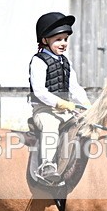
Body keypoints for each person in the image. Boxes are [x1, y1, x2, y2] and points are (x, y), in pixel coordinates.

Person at [28, 12, 91, 183]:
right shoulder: (38, 61)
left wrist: (87, 106)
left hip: (66, 109)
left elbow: (75, 87)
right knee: (51, 126)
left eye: (65, 39)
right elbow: (40, 91)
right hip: (45, 110)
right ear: (44, 40)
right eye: (58, 39)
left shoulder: (65, 62)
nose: (63, 43)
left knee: (87, 125)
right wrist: (62, 103)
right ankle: (47, 166)